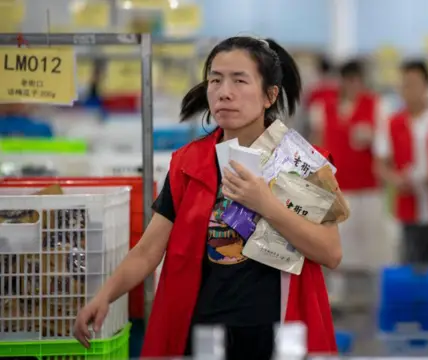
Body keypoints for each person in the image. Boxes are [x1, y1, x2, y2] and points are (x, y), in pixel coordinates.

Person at [73, 36, 342, 359]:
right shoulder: (189, 164)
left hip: (280, 330)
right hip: (205, 333)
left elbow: (330, 252)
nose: (224, 91)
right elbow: (148, 250)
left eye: (239, 80)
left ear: (270, 95)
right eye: (215, 80)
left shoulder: (303, 163)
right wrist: (104, 296)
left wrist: (266, 205)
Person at [308, 60, 385, 307]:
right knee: (338, 242)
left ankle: (374, 296)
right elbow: (317, 144)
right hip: (336, 187)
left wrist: (372, 138)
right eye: (348, 80)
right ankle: (337, 296)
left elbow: (386, 145)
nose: (352, 85)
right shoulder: (324, 108)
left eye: (356, 80)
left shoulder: (376, 106)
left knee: (371, 242)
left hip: (368, 186)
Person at [374, 60, 428, 265]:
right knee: (410, 267)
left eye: (413, 84)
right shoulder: (392, 123)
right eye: (404, 85)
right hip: (408, 209)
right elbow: (379, 164)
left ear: (427, 86)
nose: (408, 90)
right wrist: (395, 178)